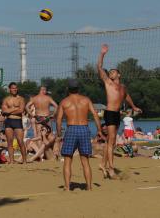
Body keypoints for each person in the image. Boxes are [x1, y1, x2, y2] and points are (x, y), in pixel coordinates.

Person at [97, 44, 142, 179]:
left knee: (112, 142)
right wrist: (102, 54)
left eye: (113, 71)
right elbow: (99, 67)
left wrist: (133, 107)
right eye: (109, 72)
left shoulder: (122, 87)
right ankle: (111, 170)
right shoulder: (108, 83)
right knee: (111, 140)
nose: (110, 73)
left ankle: (102, 164)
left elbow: (126, 96)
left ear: (119, 74)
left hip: (117, 114)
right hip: (110, 113)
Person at [56, 79, 103, 191]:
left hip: (71, 129)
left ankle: (67, 187)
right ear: (78, 88)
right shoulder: (86, 100)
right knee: (85, 160)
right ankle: (89, 186)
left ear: (68, 89)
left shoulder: (64, 102)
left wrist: (58, 133)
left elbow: (58, 120)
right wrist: (99, 130)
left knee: (67, 160)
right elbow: (95, 115)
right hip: (84, 128)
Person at [2, 82, 27, 164]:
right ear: (9, 89)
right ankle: (12, 161)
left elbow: (21, 110)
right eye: (13, 88)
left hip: (17, 121)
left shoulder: (21, 99)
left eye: (16, 88)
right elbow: (4, 111)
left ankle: (24, 160)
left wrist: (9, 111)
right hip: (8, 121)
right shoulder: (6, 99)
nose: (15, 89)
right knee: (9, 142)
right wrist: (14, 109)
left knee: (20, 141)